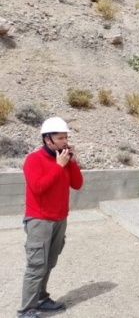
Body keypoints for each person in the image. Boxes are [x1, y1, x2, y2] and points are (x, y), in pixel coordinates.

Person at [18, 117, 83, 318]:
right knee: (36, 265)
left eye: (66, 137)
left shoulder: (63, 159)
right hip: (39, 220)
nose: (65, 141)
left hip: (59, 219)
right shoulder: (33, 160)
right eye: (61, 137)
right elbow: (38, 188)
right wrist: (58, 166)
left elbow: (77, 184)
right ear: (48, 139)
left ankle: (41, 299)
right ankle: (26, 310)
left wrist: (71, 163)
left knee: (49, 262)